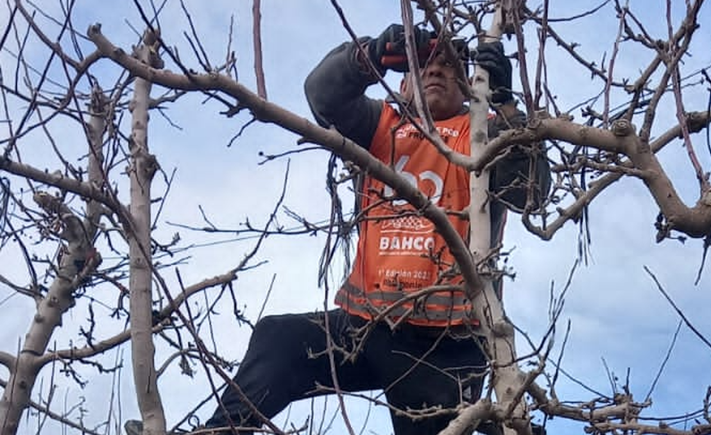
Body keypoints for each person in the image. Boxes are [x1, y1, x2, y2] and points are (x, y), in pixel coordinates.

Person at [126, 23, 550, 435]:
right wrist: (372, 55)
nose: (436, 70)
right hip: (367, 324)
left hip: (444, 343)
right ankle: (218, 433)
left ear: (469, 90)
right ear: (403, 85)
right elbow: (322, 95)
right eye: (424, 65)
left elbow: (531, 192)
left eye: (450, 67)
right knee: (279, 341)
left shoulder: (482, 135)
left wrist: (508, 107)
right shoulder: (382, 124)